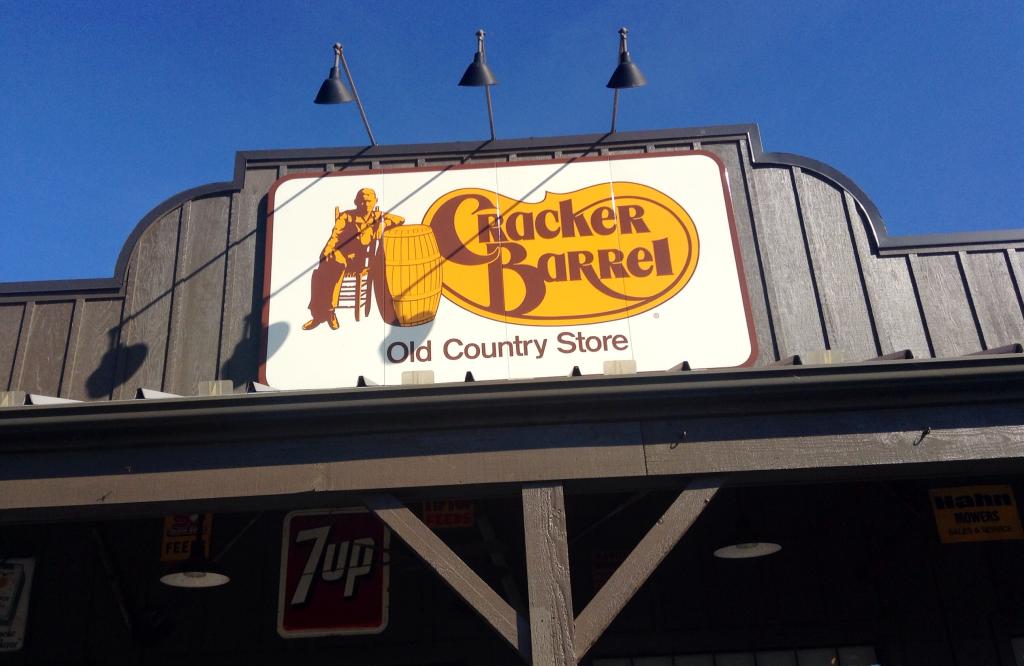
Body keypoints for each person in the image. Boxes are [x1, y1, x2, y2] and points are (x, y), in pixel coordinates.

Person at [303, 188, 404, 330]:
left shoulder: (377, 216)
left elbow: (400, 219)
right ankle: (321, 314)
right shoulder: (346, 216)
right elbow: (335, 236)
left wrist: (384, 224)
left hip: (359, 261)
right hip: (339, 255)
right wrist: (326, 252)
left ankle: (324, 314)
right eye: (362, 200)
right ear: (357, 202)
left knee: (333, 267)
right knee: (321, 271)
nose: (366, 204)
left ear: (375, 202)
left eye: (369, 200)